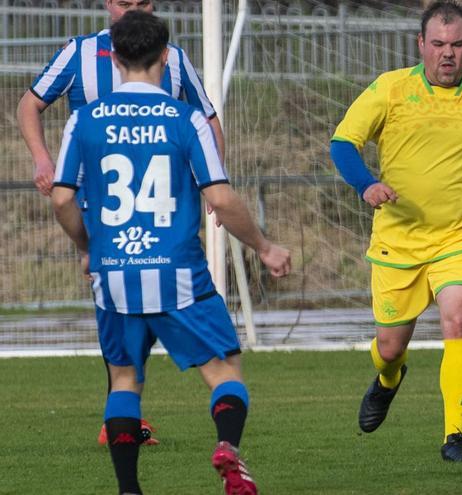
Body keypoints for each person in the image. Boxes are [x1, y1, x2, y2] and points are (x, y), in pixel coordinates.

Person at [50, 11, 290, 494]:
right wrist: (263, 246)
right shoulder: (186, 119)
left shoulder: (84, 119)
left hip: (114, 273)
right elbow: (220, 197)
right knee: (224, 370)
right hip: (178, 270)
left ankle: (129, 490)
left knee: (124, 381)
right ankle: (227, 448)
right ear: (165, 55)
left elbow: (61, 198)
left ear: (114, 58)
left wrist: (88, 247)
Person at [329, 0, 462, 462]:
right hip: (399, 240)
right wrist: (366, 184)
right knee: (390, 348)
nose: (447, 54)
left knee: (459, 316)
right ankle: (389, 379)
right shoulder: (391, 89)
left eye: (457, 44)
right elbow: (343, 142)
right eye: (438, 44)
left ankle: (455, 437)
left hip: (461, 239)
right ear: (420, 45)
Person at [17, 0, 224, 446]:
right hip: (98, 206)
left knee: (132, 300)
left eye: (143, 2)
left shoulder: (174, 58)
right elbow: (29, 105)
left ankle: (125, 416)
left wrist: (214, 180)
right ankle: (133, 412)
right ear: (107, 4)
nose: (132, 8)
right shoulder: (79, 53)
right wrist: (42, 159)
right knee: (126, 301)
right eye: (124, 1)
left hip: (160, 206)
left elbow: (206, 116)